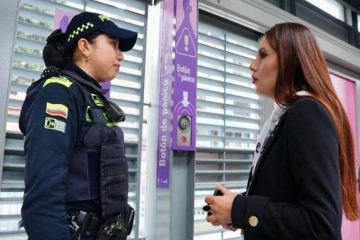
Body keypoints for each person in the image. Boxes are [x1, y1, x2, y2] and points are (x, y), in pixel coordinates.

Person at [204, 22, 360, 240]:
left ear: (289, 60)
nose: (252, 64)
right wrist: (234, 211)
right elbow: (285, 199)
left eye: (262, 55)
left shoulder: (306, 112)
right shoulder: (282, 119)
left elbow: (321, 226)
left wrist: (241, 209)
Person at [19, 11, 137, 240]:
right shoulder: (58, 93)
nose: (120, 55)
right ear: (84, 46)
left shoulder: (91, 98)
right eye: (113, 44)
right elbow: (43, 197)